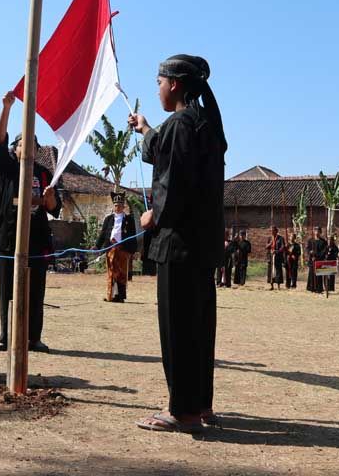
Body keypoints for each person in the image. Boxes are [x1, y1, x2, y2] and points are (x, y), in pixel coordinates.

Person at [129, 54, 225, 433]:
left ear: (176, 85)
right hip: (201, 247)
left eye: (159, 82)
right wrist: (147, 129)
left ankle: (182, 411)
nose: (157, 89)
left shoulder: (181, 125)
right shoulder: (205, 124)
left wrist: (155, 215)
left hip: (178, 244)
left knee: (178, 330)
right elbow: (165, 153)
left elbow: (175, 183)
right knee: (199, 330)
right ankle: (200, 404)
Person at [0, 91, 62, 353]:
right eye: (22, 143)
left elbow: (55, 209)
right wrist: (6, 108)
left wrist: (49, 199)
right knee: (7, 289)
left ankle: (33, 337)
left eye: (32, 143)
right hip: (10, 239)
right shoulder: (9, 168)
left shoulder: (45, 174)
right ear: (15, 149)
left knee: (36, 291)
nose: (27, 146)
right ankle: (7, 336)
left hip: (37, 240)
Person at [96, 193, 138, 302]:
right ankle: (110, 296)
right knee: (111, 273)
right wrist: (97, 246)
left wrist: (133, 250)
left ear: (123, 206)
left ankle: (120, 297)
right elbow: (103, 233)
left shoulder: (129, 220)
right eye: (115, 205)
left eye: (119, 205)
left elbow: (133, 235)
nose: (117, 207)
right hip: (111, 248)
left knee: (122, 274)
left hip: (123, 249)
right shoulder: (108, 219)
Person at [305, 227, 327, 292]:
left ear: (320, 232)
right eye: (315, 231)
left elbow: (324, 251)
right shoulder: (310, 240)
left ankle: (318, 288)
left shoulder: (323, 242)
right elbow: (307, 249)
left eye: (318, 231)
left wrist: (316, 255)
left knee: (319, 275)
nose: (317, 232)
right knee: (311, 274)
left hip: (319, 260)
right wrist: (310, 253)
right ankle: (311, 287)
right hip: (312, 260)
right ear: (314, 232)